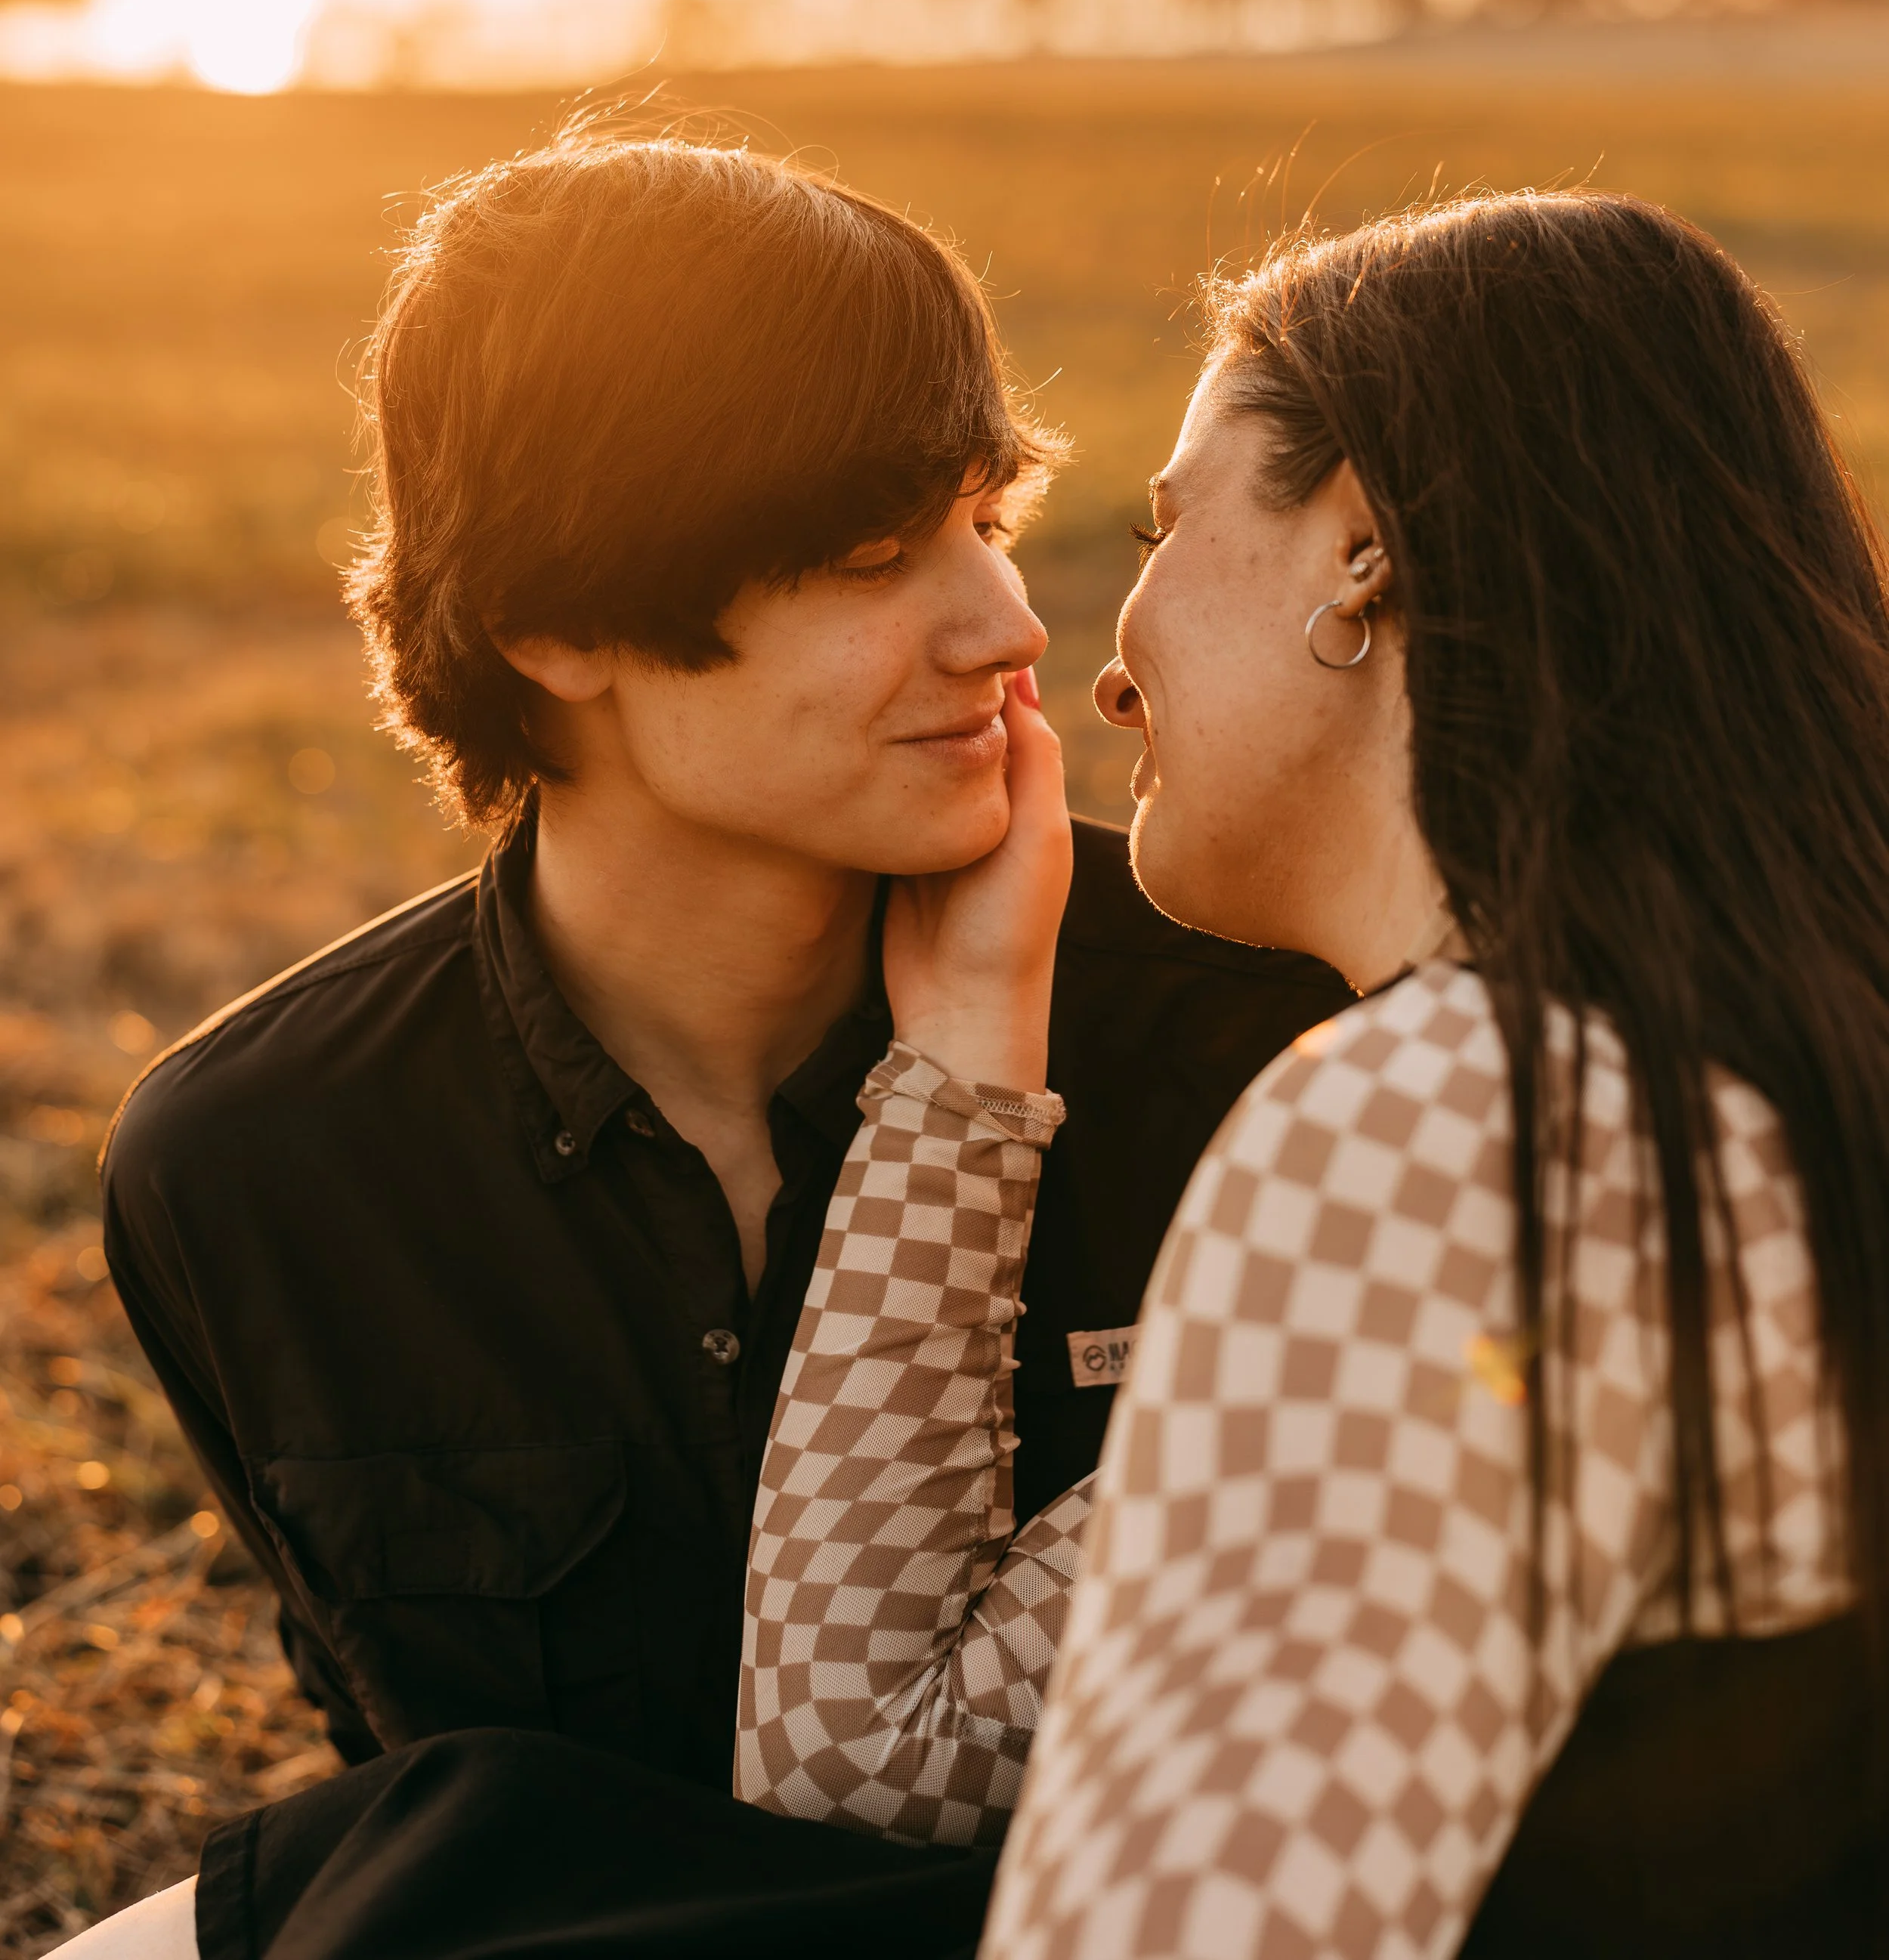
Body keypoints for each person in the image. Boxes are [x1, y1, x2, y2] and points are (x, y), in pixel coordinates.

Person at [85, 133, 1346, 1957]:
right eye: (866, 552)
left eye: (983, 520)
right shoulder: (258, 1170)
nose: (1005, 626)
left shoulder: (1258, 1024)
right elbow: (459, 1810)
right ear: (554, 619)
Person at [733, 190, 1887, 1955]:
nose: (1095, 668)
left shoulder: (1450, 1141)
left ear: (1360, 546)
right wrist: (970, 1038)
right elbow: (892, 1760)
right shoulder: (1743, 1063)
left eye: (1157, 525)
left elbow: (951, 1828)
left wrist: (957, 1081)